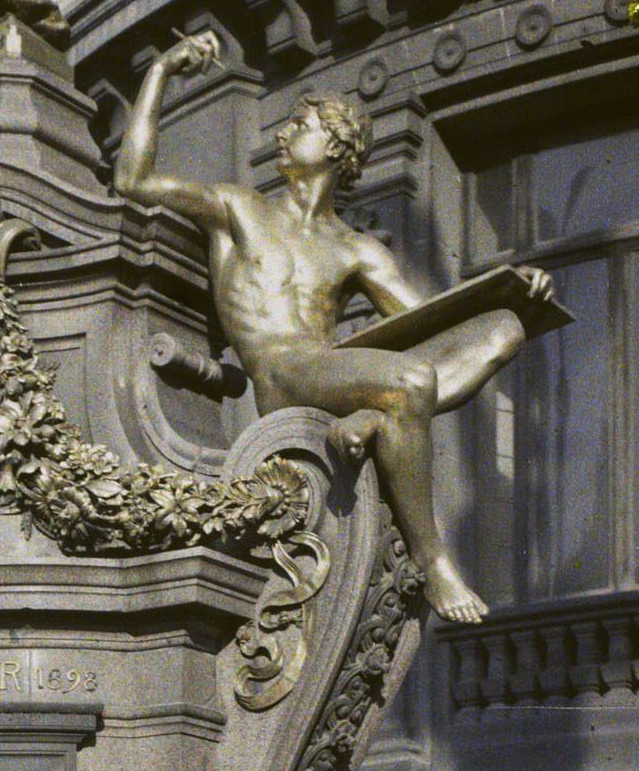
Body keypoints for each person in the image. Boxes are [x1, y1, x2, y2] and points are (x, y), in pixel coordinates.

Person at [115, 31, 552, 623]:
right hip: (280, 373)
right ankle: (433, 560)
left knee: (503, 329)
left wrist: (516, 291)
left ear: (336, 145)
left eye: (300, 124)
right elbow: (134, 180)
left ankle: (376, 415)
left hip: (332, 367)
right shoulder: (240, 208)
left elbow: (426, 318)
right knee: (410, 382)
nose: (282, 132)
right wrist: (162, 69)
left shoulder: (356, 249)